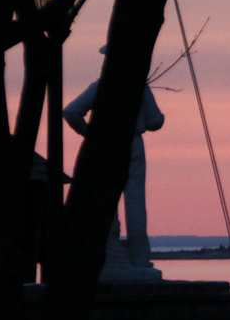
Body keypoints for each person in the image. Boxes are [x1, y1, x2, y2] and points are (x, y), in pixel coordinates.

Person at [64, 48, 165, 267]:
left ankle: (108, 254)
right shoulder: (139, 88)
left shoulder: (100, 87)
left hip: (107, 143)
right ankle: (137, 258)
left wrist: (90, 133)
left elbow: (71, 112)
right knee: (135, 201)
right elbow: (156, 120)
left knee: (106, 196)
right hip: (133, 143)